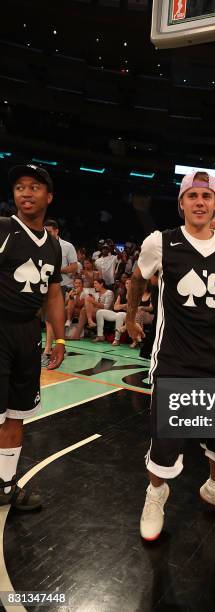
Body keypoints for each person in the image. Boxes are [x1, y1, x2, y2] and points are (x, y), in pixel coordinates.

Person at [126, 171, 215, 541]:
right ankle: (155, 495)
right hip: (174, 359)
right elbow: (137, 278)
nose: (199, 202)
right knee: (166, 443)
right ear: (181, 204)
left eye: (205, 196)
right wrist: (130, 316)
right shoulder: (159, 242)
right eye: (191, 195)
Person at [0, 164, 65, 510]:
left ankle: (5, 485)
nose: (26, 192)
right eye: (20, 187)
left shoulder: (53, 246)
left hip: (28, 332)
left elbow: (53, 295)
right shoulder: (3, 230)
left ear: (49, 196)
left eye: (35, 187)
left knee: (16, 412)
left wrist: (60, 339)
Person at [41, 219, 78, 366]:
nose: (47, 234)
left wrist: (57, 270)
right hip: (43, 284)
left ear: (57, 231)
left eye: (49, 231)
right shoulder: (41, 244)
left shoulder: (67, 246)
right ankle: (57, 347)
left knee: (51, 319)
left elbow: (74, 266)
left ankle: (48, 350)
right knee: (47, 319)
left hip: (60, 285)